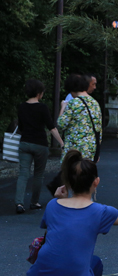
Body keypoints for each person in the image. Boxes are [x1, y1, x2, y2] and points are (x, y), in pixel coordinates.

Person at [27, 149, 118, 275]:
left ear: (69, 182)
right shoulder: (100, 211)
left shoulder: (53, 205)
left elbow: (53, 233)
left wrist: (58, 199)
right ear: (96, 182)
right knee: (96, 263)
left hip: (39, 273)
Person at [15, 80, 64, 214]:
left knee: (23, 174)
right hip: (40, 144)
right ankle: (34, 202)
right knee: (38, 175)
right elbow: (51, 127)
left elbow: (21, 127)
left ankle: (19, 203)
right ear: (39, 93)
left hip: (25, 143)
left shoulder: (21, 107)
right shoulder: (42, 107)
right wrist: (61, 142)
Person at [58, 74, 102, 162]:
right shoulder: (95, 103)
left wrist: (63, 107)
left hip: (74, 150)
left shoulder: (74, 103)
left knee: (72, 174)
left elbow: (61, 124)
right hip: (90, 149)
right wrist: (97, 151)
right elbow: (99, 129)